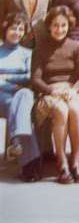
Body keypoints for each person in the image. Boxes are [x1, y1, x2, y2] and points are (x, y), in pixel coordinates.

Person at [31, 6, 79, 184]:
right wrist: (53, 91)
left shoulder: (76, 48)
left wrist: (73, 90)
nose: (60, 29)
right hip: (49, 91)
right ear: (49, 26)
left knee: (74, 108)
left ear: (69, 26)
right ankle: (61, 163)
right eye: (56, 25)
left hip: (71, 90)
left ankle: (75, 162)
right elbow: (35, 79)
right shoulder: (40, 49)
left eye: (63, 25)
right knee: (61, 110)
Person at [0, 13, 40, 182]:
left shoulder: (28, 53)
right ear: (5, 28)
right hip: (1, 95)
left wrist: (7, 77)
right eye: (13, 28)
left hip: (19, 95)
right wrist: (12, 85)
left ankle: (16, 144)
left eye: (20, 29)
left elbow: (30, 77)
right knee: (18, 102)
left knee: (23, 95)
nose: (17, 32)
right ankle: (30, 164)